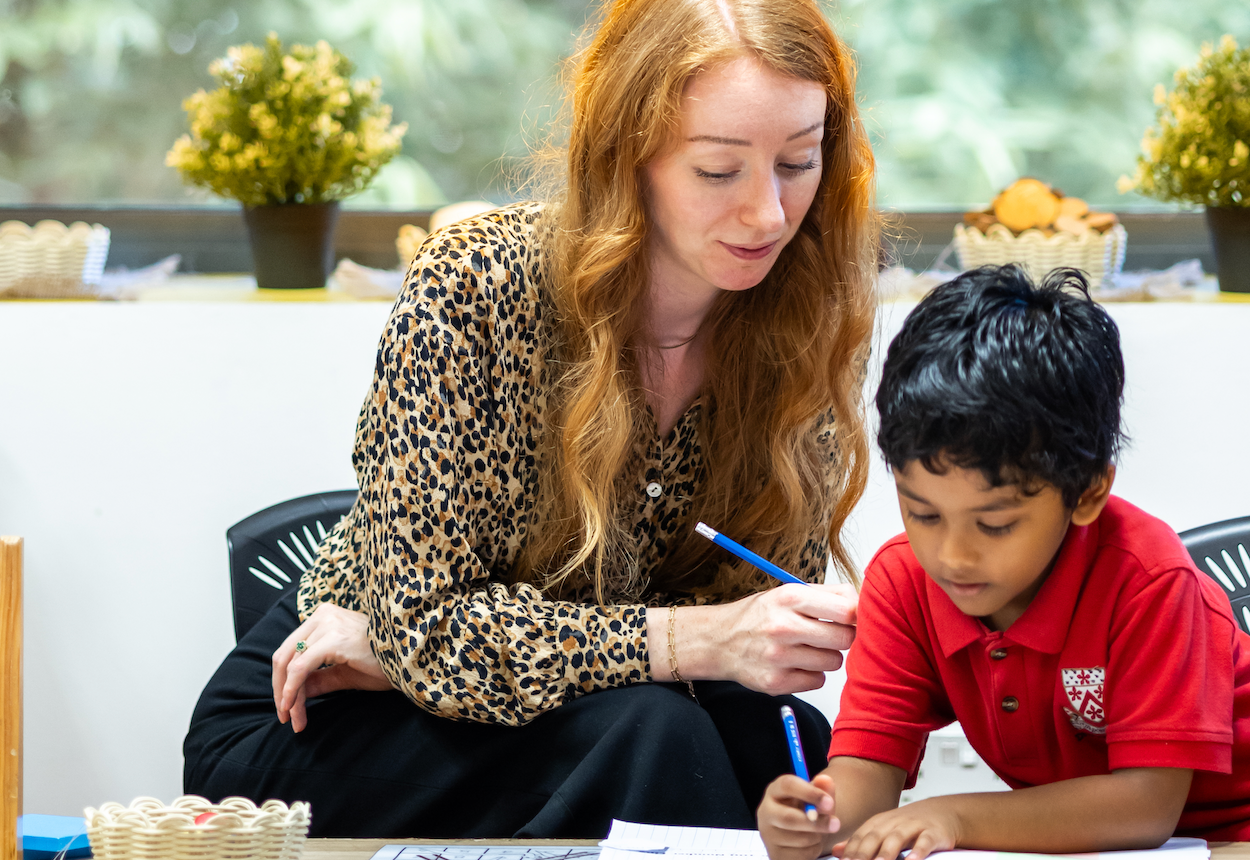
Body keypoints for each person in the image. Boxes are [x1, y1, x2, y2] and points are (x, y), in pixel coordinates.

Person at [184, 0, 882, 839]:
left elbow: (749, 636)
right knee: (653, 735)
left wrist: (410, 657)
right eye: (717, 171)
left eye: (799, 161)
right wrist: (420, 660)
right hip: (314, 713)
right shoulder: (473, 288)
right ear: (625, 156)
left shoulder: (805, 321)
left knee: (781, 744)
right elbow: (432, 636)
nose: (768, 213)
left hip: (503, 690)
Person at [757, 266, 1250, 860]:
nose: (952, 555)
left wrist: (957, 817)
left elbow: (1145, 807)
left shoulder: (1148, 580)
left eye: (995, 524)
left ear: (1086, 493)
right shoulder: (903, 583)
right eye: (923, 514)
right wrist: (814, 822)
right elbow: (864, 786)